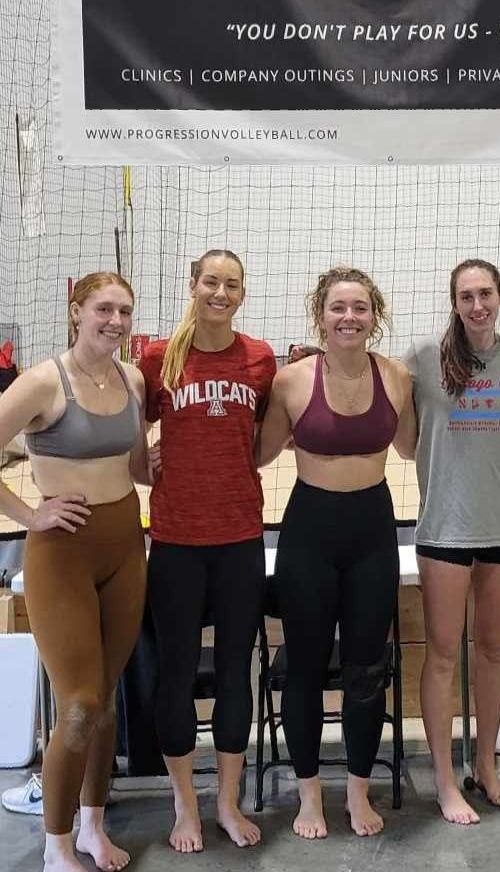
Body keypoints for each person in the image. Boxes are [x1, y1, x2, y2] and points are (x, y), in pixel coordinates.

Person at [0, 272, 148, 872]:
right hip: (62, 550)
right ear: (76, 311)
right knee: (80, 704)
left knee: (106, 702)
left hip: (124, 545)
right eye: (103, 309)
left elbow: (138, 466)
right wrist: (30, 514)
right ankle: (55, 843)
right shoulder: (42, 381)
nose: (115, 320)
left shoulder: (131, 376)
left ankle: (93, 825)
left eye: (125, 311)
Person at [257, 266, 411, 839]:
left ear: (376, 315)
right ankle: (309, 797)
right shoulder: (292, 381)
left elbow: (418, 446)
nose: (349, 317)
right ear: (319, 314)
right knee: (303, 666)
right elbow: (256, 454)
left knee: (367, 669)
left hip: (373, 531)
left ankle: (357, 792)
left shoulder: (396, 377)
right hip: (309, 535)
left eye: (361, 307)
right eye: (338, 307)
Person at [138, 250, 276, 852]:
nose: (220, 292)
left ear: (242, 293)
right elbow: (129, 433)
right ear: (192, 285)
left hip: (240, 538)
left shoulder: (260, 359)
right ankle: (185, 807)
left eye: (232, 284)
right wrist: (144, 465)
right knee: (174, 673)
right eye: (210, 282)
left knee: (234, 672)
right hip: (174, 541)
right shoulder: (155, 358)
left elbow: (266, 437)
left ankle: (226, 803)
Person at [393, 259, 500, 825]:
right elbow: (404, 437)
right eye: (466, 296)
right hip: (445, 529)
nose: (477, 305)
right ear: (454, 302)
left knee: (494, 651)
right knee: (445, 655)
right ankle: (446, 781)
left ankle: (487, 764)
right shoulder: (424, 357)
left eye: (486, 294)